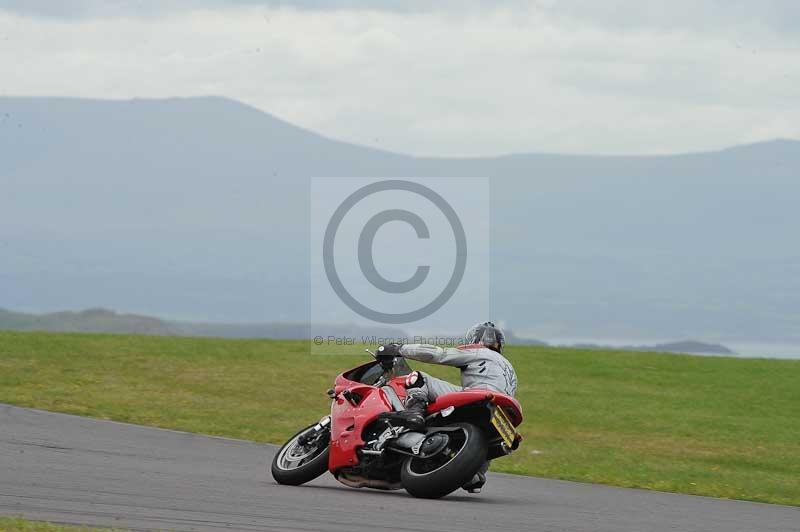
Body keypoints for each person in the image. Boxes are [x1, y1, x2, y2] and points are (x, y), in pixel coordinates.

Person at [376, 321, 518, 492]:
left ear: (475, 338)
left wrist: (399, 349)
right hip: (504, 408)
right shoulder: (509, 368)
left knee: (419, 377)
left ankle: (415, 412)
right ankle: (477, 473)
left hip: (479, 395)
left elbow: (438, 354)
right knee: (488, 433)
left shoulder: (478, 351)